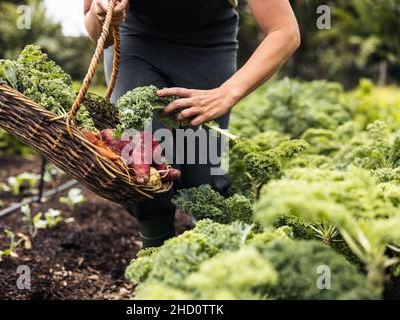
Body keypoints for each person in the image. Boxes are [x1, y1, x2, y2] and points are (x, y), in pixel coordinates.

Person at [84, 0, 300, 248]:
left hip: (207, 45)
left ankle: (209, 257)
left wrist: (225, 93)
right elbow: (94, 29)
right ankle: (156, 259)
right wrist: (104, 16)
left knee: (204, 176)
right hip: (136, 41)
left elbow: (284, 31)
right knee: (142, 160)